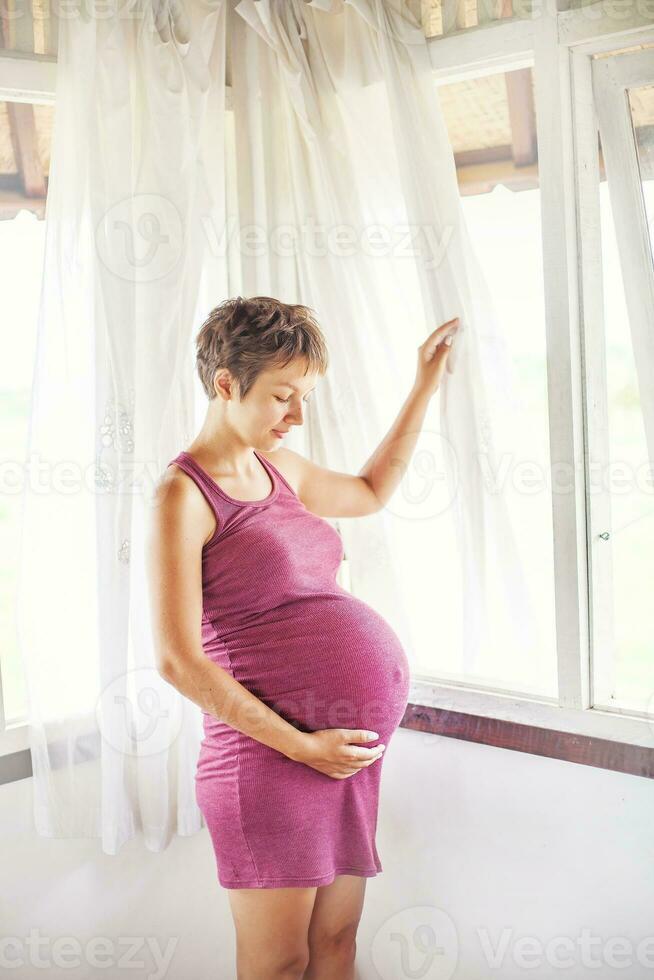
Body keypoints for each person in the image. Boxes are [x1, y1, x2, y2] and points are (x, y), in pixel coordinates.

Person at [146, 295, 459, 980]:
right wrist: (303, 746)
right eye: (282, 397)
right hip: (269, 763)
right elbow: (176, 660)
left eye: (306, 397)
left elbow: (373, 490)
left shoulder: (280, 470)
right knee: (279, 965)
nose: (297, 417)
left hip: (341, 758)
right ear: (226, 383)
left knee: (337, 942)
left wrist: (422, 388)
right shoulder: (185, 494)